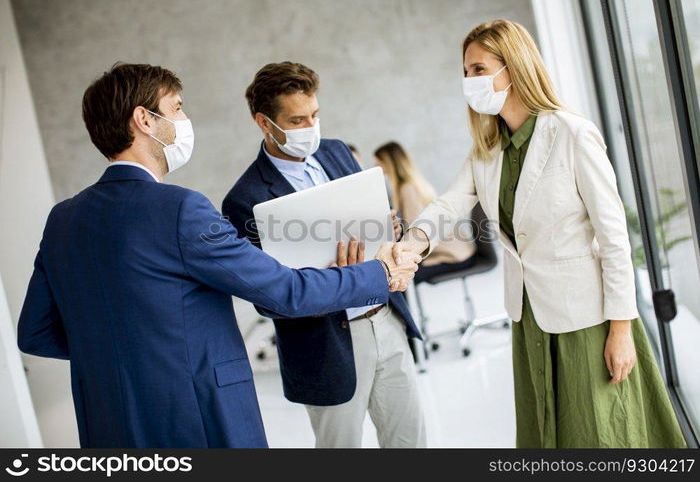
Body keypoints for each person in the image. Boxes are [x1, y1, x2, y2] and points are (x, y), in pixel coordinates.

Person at [16, 63, 420, 449]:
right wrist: (379, 271)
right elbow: (284, 290)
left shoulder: (63, 219)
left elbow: (35, 331)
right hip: (196, 413)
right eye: (176, 108)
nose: (184, 119)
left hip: (106, 419)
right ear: (144, 119)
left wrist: (125, 356)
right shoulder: (180, 209)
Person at [392, 20, 687, 448]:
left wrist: (621, 329)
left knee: (601, 434)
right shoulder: (488, 148)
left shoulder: (571, 134)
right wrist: (408, 247)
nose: (468, 81)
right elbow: (449, 203)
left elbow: (614, 237)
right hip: (529, 314)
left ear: (511, 68)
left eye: (478, 69)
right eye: (466, 71)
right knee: (548, 432)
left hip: (587, 318)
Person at [222, 62, 426, 448]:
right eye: (297, 120)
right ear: (264, 122)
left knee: (410, 441)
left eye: (314, 115)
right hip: (326, 344)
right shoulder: (244, 199)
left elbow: (372, 210)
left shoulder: (335, 152)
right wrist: (337, 281)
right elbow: (268, 301)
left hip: (385, 318)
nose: (310, 127)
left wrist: (388, 229)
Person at [374, 141, 476, 269]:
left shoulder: (407, 189)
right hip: (461, 250)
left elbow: (415, 229)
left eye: (379, 164)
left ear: (389, 164)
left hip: (452, 254)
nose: (377, 167)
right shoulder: (413, 183)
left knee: (396, 271)